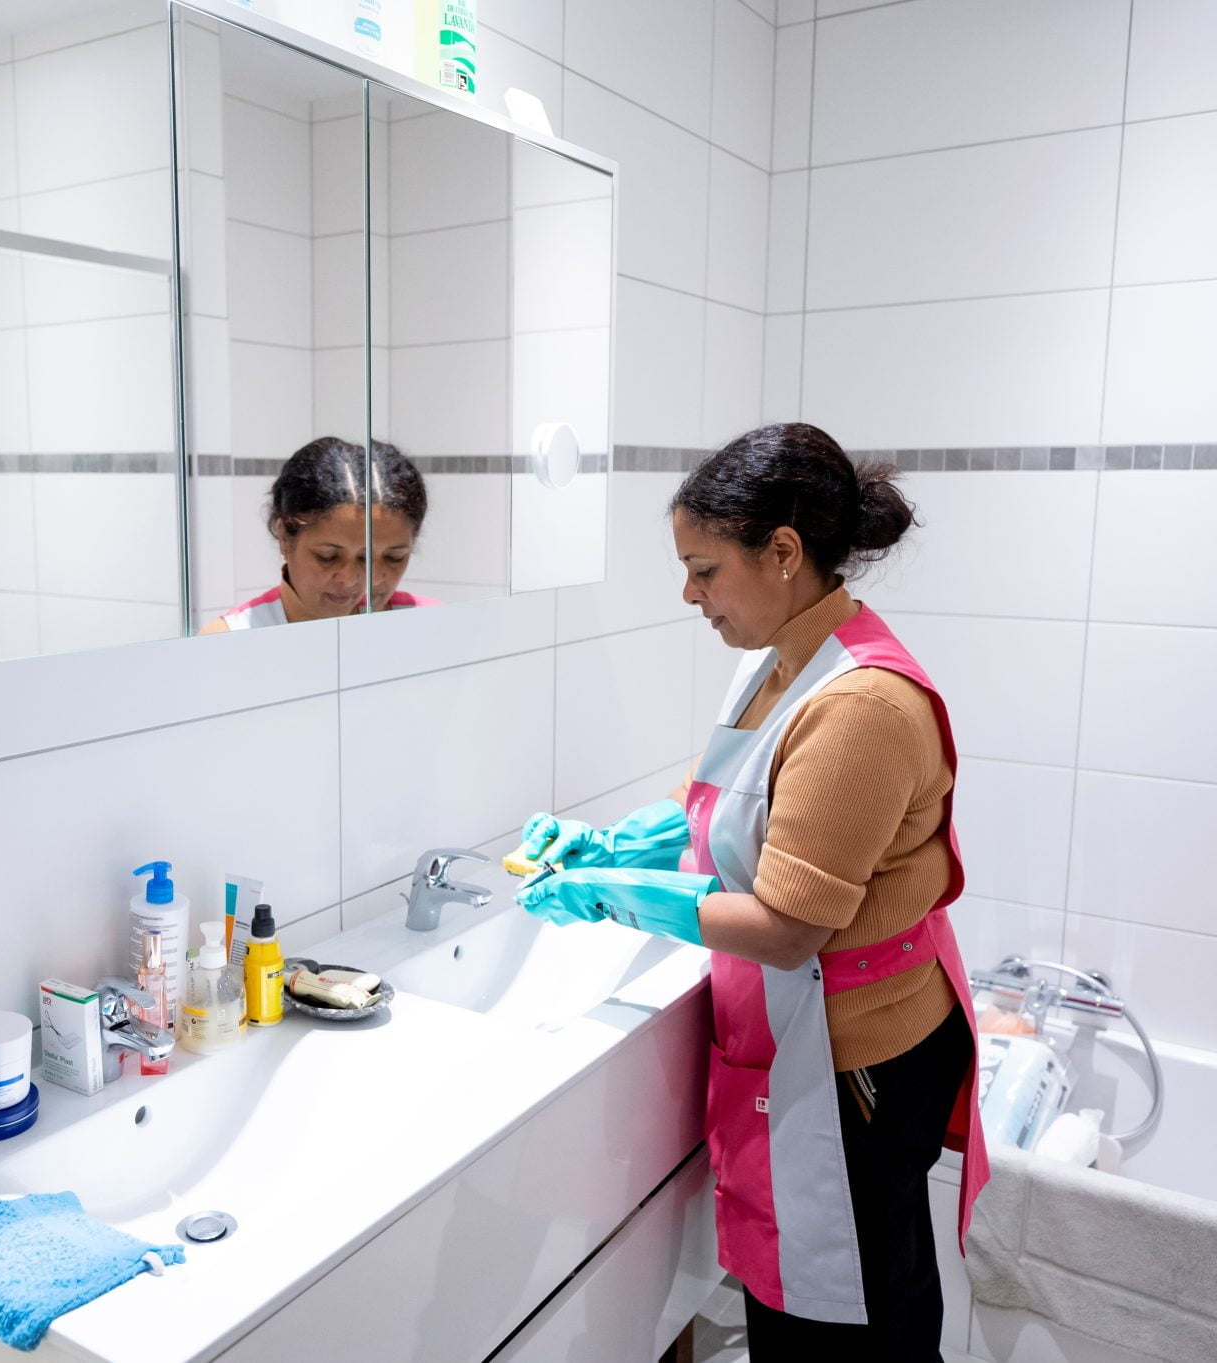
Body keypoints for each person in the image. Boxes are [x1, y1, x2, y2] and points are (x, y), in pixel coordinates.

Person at [514, 423, 989, 1361]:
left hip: (861, 1060)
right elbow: (745, 814)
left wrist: (615, 891)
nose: (688, 594)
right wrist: (625, 841)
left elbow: (785, 928)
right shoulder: (780, 657)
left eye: (703, 569)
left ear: (783, 553)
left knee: (851, 1317)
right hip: (802, 1035)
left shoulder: (857, 704)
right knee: (807, 1298)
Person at [203, 436, 438, 632]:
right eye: (328, 556)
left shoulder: (432, 622)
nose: (364, 579)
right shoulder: (230, 638)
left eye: (393, 557)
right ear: (284, 537)